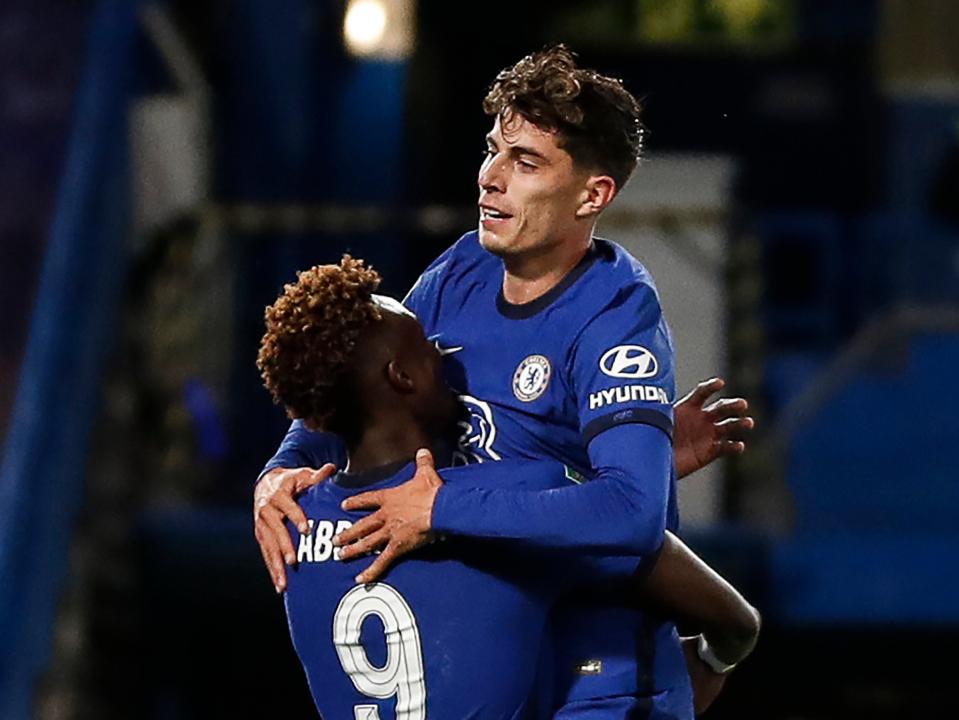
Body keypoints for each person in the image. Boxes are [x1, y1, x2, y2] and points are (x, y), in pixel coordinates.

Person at [254, 45, 755, 718]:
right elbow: (355, 374)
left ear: (591, 194)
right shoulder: (459, 270)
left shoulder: (614, 312)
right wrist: (279, 471)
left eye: (525, 162)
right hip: (505, 660)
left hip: (595, 683)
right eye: (493, 149)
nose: (490, 177)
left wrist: (440, 510)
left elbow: (631, 517)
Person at [257, 258, 759, 719]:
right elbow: (726, 611)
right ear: (402, 377)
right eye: (427, 344)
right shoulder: (505, 505)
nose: (442, 350)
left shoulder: (289, 524)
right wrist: (716, 656)